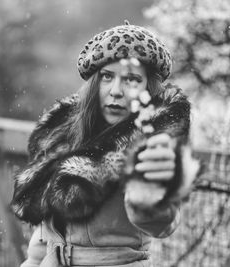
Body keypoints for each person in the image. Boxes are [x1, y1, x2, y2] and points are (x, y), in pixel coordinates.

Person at [11, 21, 197, 267]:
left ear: (148, 89)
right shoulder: (65, 136)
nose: (116, 91)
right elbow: (47, 238)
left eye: (131, 79)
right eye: (107, 76)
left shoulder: (152, 142)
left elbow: (164, 221)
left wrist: (148, 200)